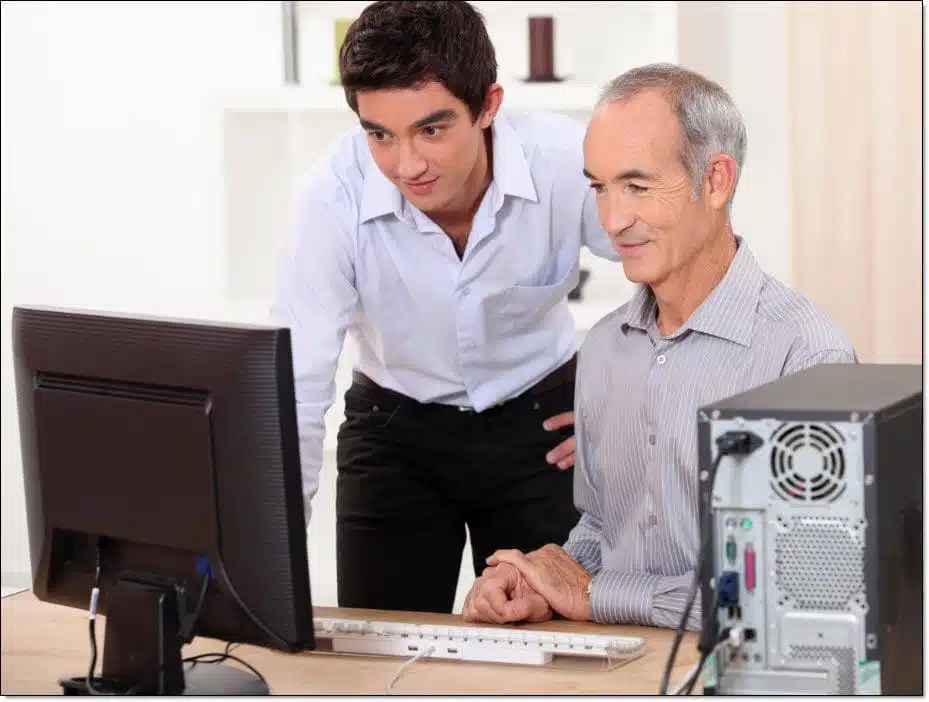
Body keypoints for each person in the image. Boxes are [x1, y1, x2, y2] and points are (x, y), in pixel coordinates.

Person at [461, 63, 858, 630]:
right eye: (599, 187)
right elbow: (601, 529)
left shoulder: (806, 357)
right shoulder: (602, 349)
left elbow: (806, 594)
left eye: (638, 186)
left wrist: (597, 594)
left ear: (716, 181)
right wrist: (538, 582)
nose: (613, 219)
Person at [269, 0, 618, 614]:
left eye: (431, 129)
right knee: (379, 651)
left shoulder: (566, 161)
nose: (407, 166)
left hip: (541, 427)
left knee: (557, 649)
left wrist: (626, 402)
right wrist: (266, 562)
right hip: (393, 431)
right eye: (379, 134)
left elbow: (671, 266)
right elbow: (295, 388)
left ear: (488, 106)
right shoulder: (331, 198)